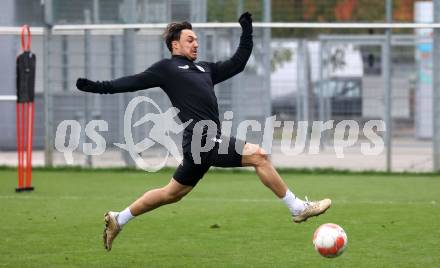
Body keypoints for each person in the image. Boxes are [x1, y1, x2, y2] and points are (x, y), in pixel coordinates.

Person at [76, 12, 331, 252]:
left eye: (196, 39)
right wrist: (95, 87)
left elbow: (238, 63)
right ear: (175, 45)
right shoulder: (166, 69)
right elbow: (130, 82)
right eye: (189, 40)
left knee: (171, 194)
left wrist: (247, 31)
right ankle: (297, 207)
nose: (195, 44)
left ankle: (118, 218)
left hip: (201, 143)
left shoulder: (205, 69)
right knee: (259, 155)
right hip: (202, 140)